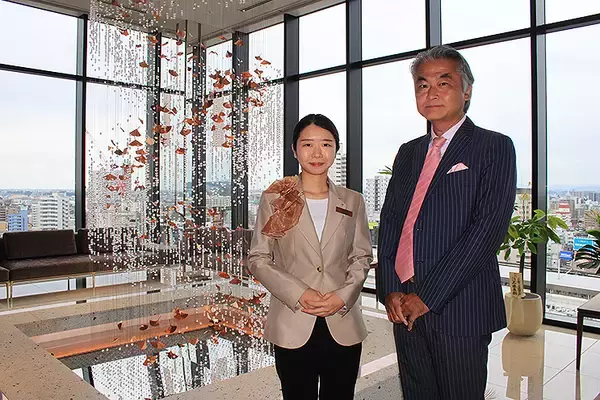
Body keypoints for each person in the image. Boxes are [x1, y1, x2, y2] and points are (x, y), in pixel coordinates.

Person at [376, 45, 517, 399]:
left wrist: (426, 296)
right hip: (404, 305)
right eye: (422, 85)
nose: (432, 93)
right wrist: (390, 289)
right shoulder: (408, 152)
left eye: (443, 82)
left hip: (460, 308)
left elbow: (486, 231)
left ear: (466, 91)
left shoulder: (494, 147)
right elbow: (391, 223)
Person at [248, 114, 373, 400]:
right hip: (292, 319)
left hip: (342, 320)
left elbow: (362, 255)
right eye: (307, 144)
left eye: (326, 144)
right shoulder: (276, 198)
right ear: (294, 150)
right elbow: (259, 258)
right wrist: (299, 293)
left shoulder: (353, 200)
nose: (317, 153)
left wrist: (343, 295)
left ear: (336, 149)